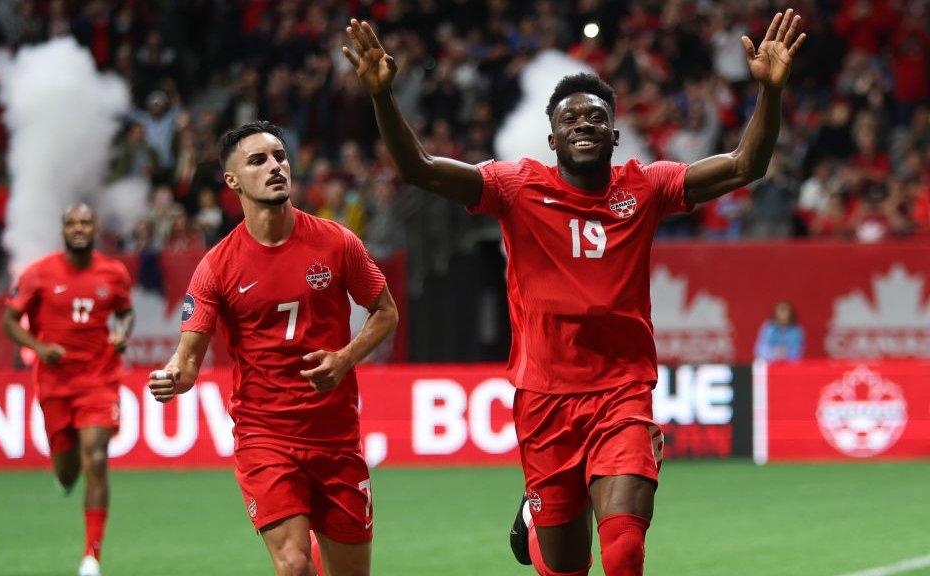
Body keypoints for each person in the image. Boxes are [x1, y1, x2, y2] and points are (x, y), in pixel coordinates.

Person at [343, 10, 804, 576]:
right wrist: (383, 98)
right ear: (552, 137)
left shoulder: (647, 185)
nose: (583, 123)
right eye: (570, 118)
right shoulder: (515, 187)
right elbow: (418, 169)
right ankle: (538, 521)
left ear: (613, 134)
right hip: (544, 402)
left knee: (625, 552)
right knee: (564, 569)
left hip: (622, 394)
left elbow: (744, 165)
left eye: (596, 117)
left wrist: (769, 92)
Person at [148, 121, 398, 576]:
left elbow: (386, 312)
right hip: (265, 437)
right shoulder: (216, 267)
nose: (275, 166)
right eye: (258, 160)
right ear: (232, 181)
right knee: (294, 564)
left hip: (336, 437)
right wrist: (171, 378)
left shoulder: (337, 241)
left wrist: (345, 358)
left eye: (280, 156)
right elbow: (186, 362)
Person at [2, 204, 134, 576]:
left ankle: (91, 556)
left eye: (86, 222)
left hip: (99, 379)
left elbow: (125, 311)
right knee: (67, 472)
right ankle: (64, 476)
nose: (79, 228)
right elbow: (9, 321)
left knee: (96, 457)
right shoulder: (40, 273)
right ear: (63, 231)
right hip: (56, 384)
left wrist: (122, 333)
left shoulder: (114, 273)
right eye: (73, 223)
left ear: (95, 229)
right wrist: (40, 348)